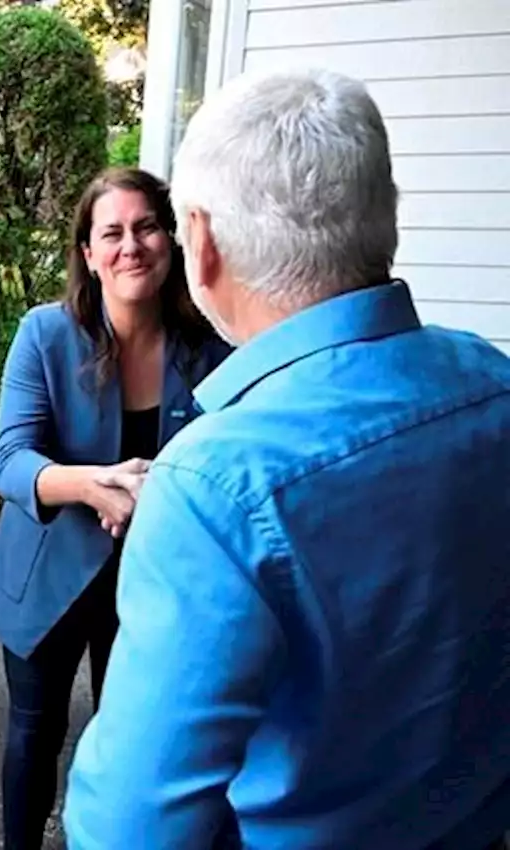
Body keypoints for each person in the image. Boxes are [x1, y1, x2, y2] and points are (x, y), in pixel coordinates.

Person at [63, 68, 510, 850]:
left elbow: (131, 827)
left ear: (197, 244)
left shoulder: (211, 486)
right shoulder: (494, 386)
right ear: (385, 216)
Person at [0, 167, 230, 850]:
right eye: (111, 233)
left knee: (135, 742)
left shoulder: (210, 349)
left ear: (171, 240)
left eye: (146, 227)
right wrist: (91, 485)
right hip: (50, 576)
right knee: (35, 735)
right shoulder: (45, 334)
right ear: (87, 254)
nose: (131, 246)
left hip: (152, 584)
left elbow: (225, 467)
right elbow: (12, 461)